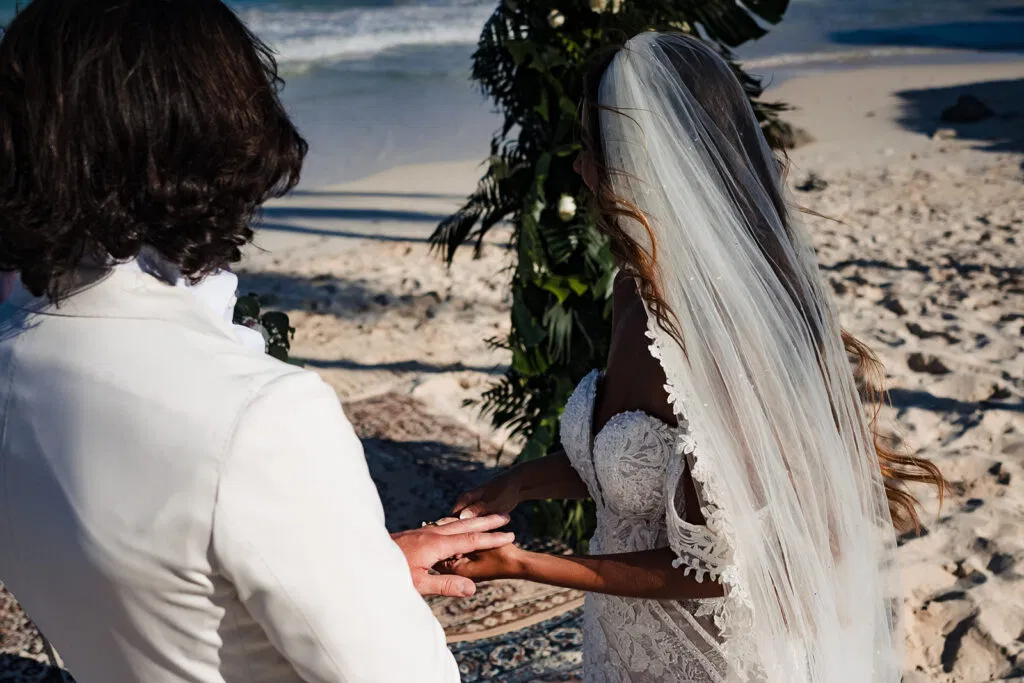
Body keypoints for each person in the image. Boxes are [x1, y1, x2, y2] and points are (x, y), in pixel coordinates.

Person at [0, 1, 513, 681]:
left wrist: (358, 566)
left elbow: (162, 574)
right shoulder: (261, 416)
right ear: (218, 140)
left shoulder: (13, 362)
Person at [444, 33, 945, 682]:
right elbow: (632, 475)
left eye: (591, 151)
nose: (579, 169)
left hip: (703, 657)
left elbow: (715, 565)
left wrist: (527, 565)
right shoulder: (632, 285)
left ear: (637, 162)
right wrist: (519, 484)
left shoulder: (706, 331)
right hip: (622, 634)